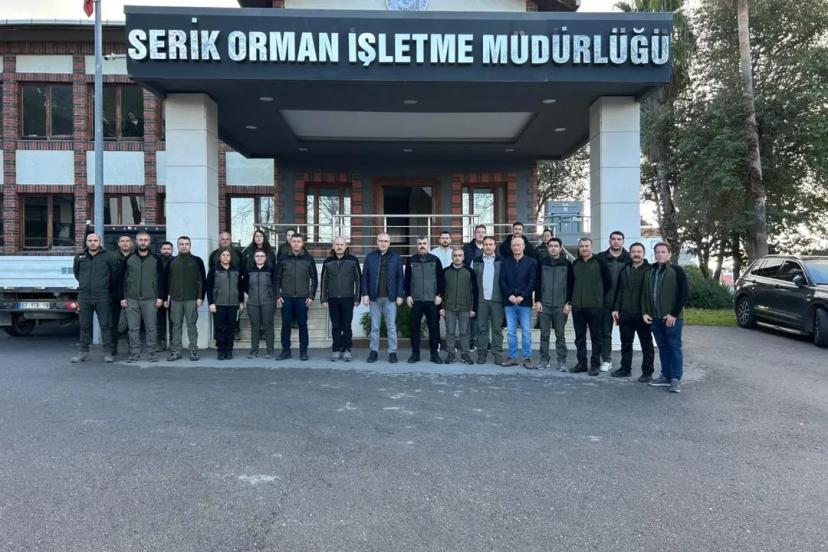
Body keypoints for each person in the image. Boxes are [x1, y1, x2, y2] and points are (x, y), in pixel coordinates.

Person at [643, 242, 689, 393]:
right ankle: (665, 375)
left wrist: (674, 314)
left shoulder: (676, 270)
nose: (660, 254)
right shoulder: (651, 271)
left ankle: (675, 379)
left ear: (669, 254)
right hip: (655, 318)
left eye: (663, 252)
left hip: (672, 318)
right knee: (662, 347)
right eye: (657, 252)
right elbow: (645, 294)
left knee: (674, 347)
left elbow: (684, 294)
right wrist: (645, 312)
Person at [71, 233, 119, 363]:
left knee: (105, 325)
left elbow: (114, 275)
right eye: (90, 240)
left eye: (95, 240)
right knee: (84, 325)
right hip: (84, 296)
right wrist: (85, 285)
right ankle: (83, 352)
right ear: (86, 242)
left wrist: (104, 286)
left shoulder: (109, 256)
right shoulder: (79, 257)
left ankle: (108, 352)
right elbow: (77, 273)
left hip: (102, 296)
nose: (92, 243)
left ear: (100, 242)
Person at [121, 231, 167, 363]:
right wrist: (123, 297)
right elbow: (122, 280)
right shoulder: (129, 259)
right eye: (140, 240)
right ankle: (134, 353)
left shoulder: (156, 259)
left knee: (151, 328)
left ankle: (151, 353)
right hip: (132, 299)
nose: (143, 242)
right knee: (133, 329)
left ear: (149, 242)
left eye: (145, 240)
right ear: (136, 242)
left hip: (150, 299)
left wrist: (160, 297)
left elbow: (162, 280)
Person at [611, 242, 655, 381]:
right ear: (630, 254)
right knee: (626, 344)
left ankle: (647, 372)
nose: (636, 254)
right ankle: (625, 369)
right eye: (633, 252)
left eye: (639, 252)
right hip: (625, 313)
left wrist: (649, 311)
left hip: (643, 314)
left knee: (646, 345)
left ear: (644, 254)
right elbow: (619, 290)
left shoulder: (650, 270)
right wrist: (616, 309)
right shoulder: (624, 269)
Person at [361, 233, 404, 364]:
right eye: (381, 241)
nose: (383, 243)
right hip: (374, 298)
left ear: (389, 243)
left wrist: (400, 295)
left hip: (390, 298)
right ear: (377, 242)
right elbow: (365, 277)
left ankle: (392, 352)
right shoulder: (370, 257)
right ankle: (374, 351)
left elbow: (400, 277)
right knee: (375, 327)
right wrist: (365, 294)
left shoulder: (396, 257)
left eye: (386, 241)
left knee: (391, 327)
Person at [570, 237, 611, 376]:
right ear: (579, 248)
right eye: (581, 246)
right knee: (579, 337)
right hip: (578, 307)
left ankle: (595, 365)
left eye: (586, 246)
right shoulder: (575, 263)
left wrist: (598, 296)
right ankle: (582, 363)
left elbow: (608, 282)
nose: (584, 248)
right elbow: (571, 284)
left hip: (595, 306)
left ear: (591, 247)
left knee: (596, 337)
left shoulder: (600, 262)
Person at [274, 232, 317, 361]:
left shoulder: (309, 259)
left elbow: (314, 279)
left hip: (302, 298)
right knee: (285, 325)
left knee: (303, 325)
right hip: (286, 297)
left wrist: (311, 296)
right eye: (294, 241)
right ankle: (286, 351)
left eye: (299, 241)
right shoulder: (283, 258)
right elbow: (276, 278)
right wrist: (277, 296)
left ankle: (303, 351)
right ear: (290, 243)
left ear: (302, 243)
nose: (296, 244)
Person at [534, 237, 574, 371]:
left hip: (560, 305)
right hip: (544, 305)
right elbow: (537, 283)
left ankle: (562, 360)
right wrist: (537, 300)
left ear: (560, 248)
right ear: (547, 248)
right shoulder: (542, 263)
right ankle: (544, 359)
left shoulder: (567, 264)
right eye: (550, 246)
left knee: (560, 335)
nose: (553, 248)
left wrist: (569, 302)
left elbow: (570, 285)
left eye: (556, 246)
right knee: (544, 335)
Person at [165, 235, 206, 362]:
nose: (184, 246)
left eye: (186, 244)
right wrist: (167, 298)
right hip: (175, 299)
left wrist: (200, 297)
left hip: (191, 299)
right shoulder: (172, 261)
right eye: (181, 244)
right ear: (177, 246)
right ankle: (176, 351)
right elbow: (167, 281)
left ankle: (193, 349)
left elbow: (202, 280)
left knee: (191, 325)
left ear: (190, 245)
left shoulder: (197, 260)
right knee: (176, 325)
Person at [320, 237, 361, 362]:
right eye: (337, 244)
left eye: (341, 244)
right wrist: (323, 298)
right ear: (333, 246)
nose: (339, 246)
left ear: (345, 246)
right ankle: (336, 350)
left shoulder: (353, 260)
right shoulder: (328, 261)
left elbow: (358, 280)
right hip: (332, 298)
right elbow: (324, 281)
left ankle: (347, 350)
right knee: (336, 326)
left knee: (347, 325)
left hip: (348, 298)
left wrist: (357, 297)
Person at [405, 236, 445, 364]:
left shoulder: (435, 260)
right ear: (416, 245)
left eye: (424, 243)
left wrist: (439, 295)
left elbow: (441, 279)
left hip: (431, 300)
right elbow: (407, 279)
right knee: (414, 327)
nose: (422, 246)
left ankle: (434, 354)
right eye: (419, 243)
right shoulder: (411, 260)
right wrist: (408, 295)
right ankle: (415, 354)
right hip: (415, 300)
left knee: (434, 327)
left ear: (428, 245)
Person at [499, 236, 537, 368]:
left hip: (524, 303)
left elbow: (532, 281)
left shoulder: (531, 262)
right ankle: (512, 357)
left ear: (523, 246)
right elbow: (502, 280)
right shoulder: (505, 262)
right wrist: (509, 295)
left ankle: (527, 358)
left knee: (526, 332)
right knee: (511, 332)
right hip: (509, 302)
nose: (516, 247)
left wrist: (523, 296)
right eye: (514, 245)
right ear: (511, 247)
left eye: (518, 245)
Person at [598, 230, 631, 372]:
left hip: (624, 303)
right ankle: (606, 359)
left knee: (626, 335)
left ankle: (626, 364)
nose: (616, 241)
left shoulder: (629, 258)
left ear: (623, 241)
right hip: (605, 302)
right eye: (613, 239)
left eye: (619, 239)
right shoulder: (600, 257)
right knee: (605, 333)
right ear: (609, 241)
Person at [207, 248, 246, 360]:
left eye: (227, 255)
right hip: (219, 304)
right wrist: (211, 303)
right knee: (220, 328)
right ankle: (221, 350)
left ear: (230, 257)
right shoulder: (214, 270)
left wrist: (241, 301)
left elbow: (240, 287)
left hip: (234, 304)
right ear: (219, 257)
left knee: (231, 328)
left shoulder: (236, 270)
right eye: (223, 255)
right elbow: (209, 288)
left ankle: (229, 350)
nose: (225, 257)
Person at [441, 249, 478, 365]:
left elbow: (475, 291)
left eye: (459, 255)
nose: (457, 257)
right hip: (449, 307)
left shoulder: (470, 271)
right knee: (450, 331)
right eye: (455, 255)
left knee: (464, 332)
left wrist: (474, 308)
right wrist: (441, 308)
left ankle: (465, 354)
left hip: (465, 307)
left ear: (463, 257)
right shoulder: (445, 271)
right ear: (452, 257)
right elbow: (440, 290)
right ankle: (451, 354)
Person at [472, 236, 504, 365]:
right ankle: (482, 354)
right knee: (482, 328)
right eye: (486, 244)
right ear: (483, 246)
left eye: (491, 244)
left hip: (497, 300)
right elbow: (471, 283)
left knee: (497, 328)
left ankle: (497, 354)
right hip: (481, 300)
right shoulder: (475, 261)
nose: (488, 246)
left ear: (495, 246)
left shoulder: (501, 261)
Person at [245, 249, 277, 359]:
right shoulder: (249, 270)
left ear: (265, 258)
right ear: (254, 258)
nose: (259, 258)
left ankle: (270, 349)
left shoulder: (270, 270)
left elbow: (275, 284)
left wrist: (272, 295)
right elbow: (244, 285)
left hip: (268, 302)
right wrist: (250, 294)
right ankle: (254, 349)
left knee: (268, 325)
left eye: (262, 256)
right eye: (257, 256)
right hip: (252, 302)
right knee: (255, 326)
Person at [462, 224, 487, 350]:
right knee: (472, 312)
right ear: (474, 234)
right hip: (471, 284)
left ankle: (485, 340)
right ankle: (472, 340)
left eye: (483, 232)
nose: (481, 234)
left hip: (487, 284)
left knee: (485, 313)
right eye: (478, 232)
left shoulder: (490, 246)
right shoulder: (467, 248)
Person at [110, 234, 134, 357]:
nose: (125, 243)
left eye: (127, 241)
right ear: (118, 243)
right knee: (113, 323)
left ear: (131, 243)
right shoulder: (111, 257)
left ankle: (132, 348)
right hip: (115, 295)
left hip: (132, 294)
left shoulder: (136, 257)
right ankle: (113, 348)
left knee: (132, 324)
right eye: (122, 241)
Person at [156, 240, 174, 351]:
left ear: (172, 250)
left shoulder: (175, 261)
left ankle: (172, 342)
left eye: (168, 249)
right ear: (160, 250)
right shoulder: (156, 261)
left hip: (172, 294)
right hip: (158, 294)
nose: (166, 251)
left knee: (173, 320)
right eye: (164, 249)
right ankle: (160, 342)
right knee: (159, 320)